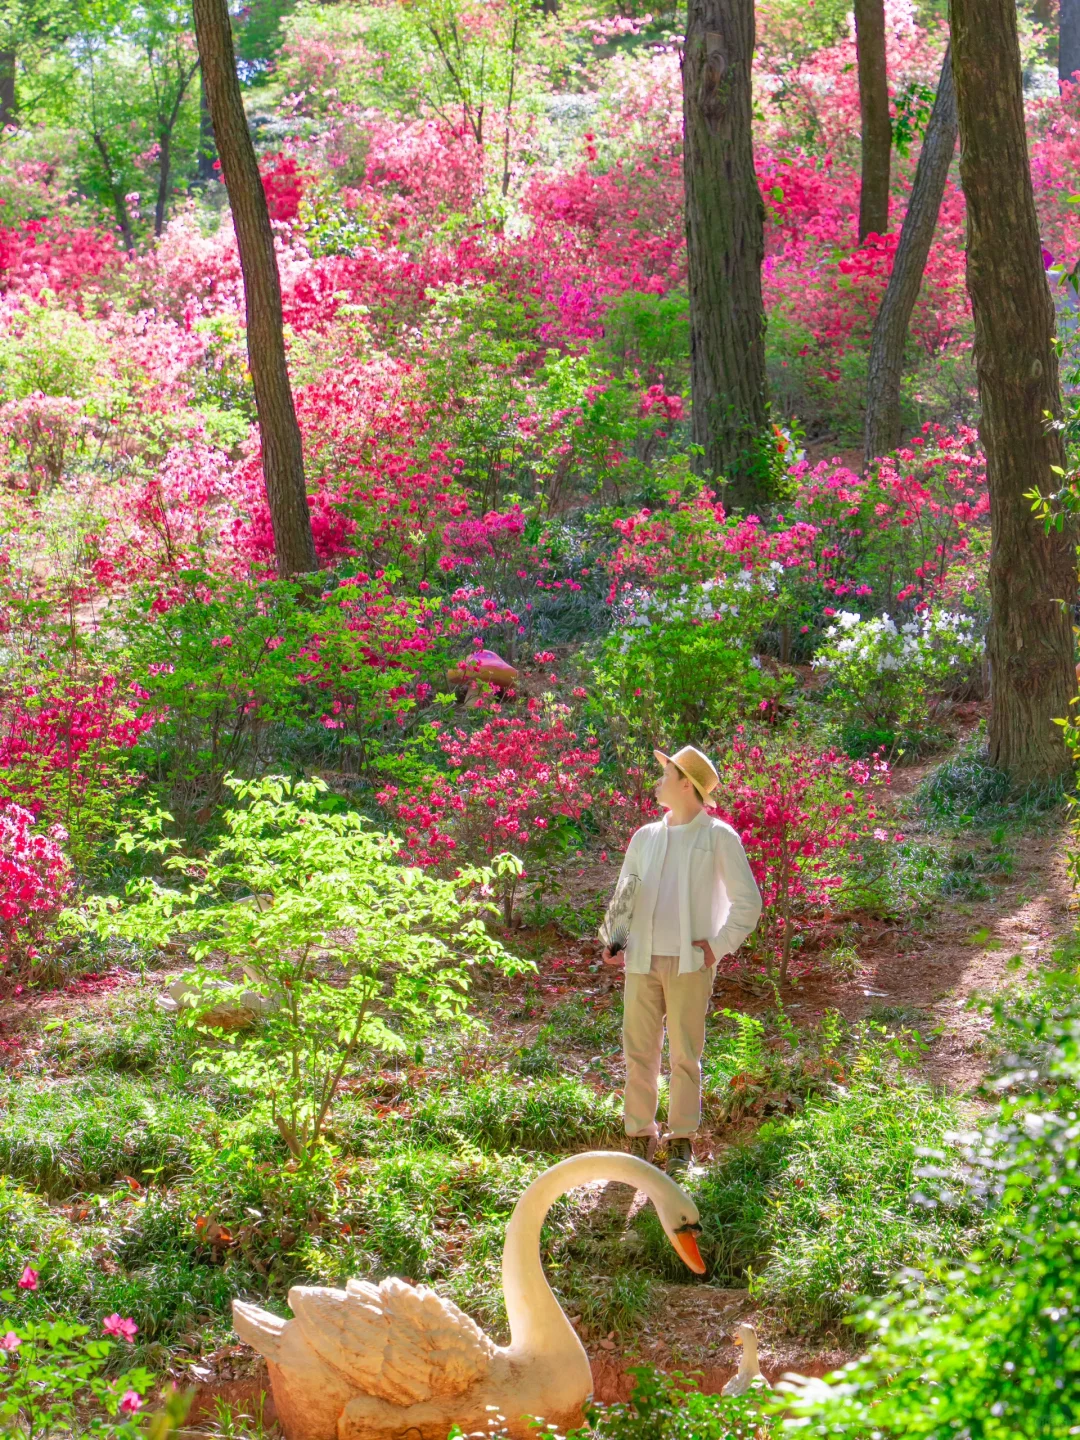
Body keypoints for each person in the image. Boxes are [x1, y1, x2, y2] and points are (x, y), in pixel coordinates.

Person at [602, 745, 762, 1176]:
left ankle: (681, 1141)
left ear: (686, 785)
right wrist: (614, 941)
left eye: (666, 773)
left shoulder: (718, 837)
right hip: (642, 961)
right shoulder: (646, 837)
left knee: (685, 1054)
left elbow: (747, 904)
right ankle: (639, 1136)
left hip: (691, 964)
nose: (658, 780)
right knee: (639, 1051)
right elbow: (626, 891)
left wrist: (716, 946)